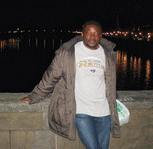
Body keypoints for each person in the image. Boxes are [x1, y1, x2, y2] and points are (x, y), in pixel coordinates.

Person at [19, 20, 120, 149]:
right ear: (82, 34)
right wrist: (35, 95)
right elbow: (51, 76)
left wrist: (113, 97)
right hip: (81, 111)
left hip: (104, 111)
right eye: (88, 33)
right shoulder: (68, 53)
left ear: (101, 35)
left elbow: (109, 81)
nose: (92, 37)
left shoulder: (108, 55)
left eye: (96, 34)